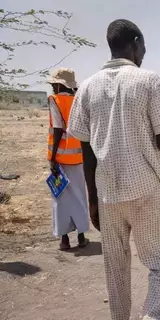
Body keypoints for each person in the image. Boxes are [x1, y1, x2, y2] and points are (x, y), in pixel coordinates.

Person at [68, 19, 160, 320]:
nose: (144, 53)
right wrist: (158, 160)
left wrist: (92, 200)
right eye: (143, 47)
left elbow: (86, 150)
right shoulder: (148, 80)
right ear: (136, 42)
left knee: (115, 268)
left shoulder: (87, 88)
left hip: (107, 194)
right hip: (145, 189)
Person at [47, 68, 89, 251]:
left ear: (58, 84)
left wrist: (52, 158)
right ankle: (81, 237)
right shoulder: (78, 100)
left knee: (61, 197)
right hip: (78, 157)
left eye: (53, 85)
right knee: (80, 197)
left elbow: (57, 128)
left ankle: (64, 240)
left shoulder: (55, 100)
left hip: (61, 159)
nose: (52, 88)